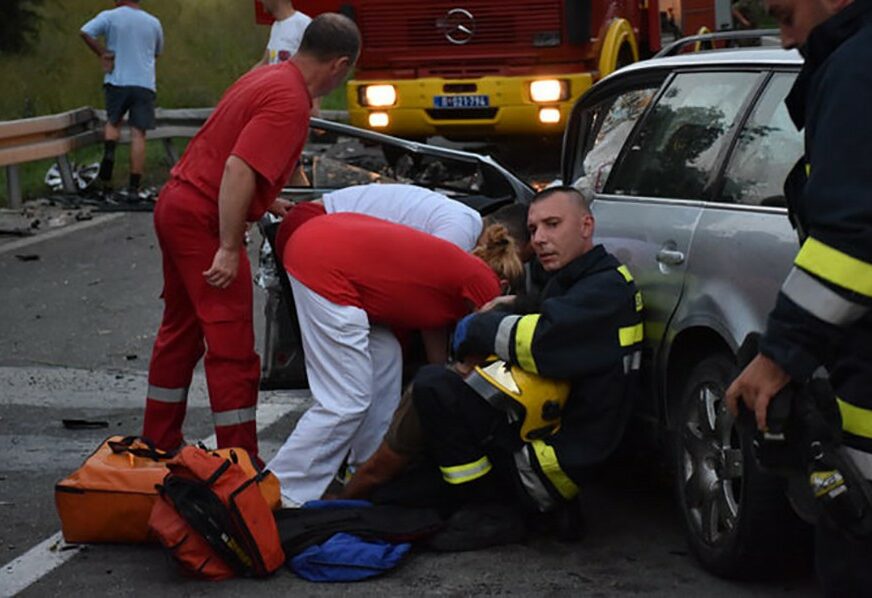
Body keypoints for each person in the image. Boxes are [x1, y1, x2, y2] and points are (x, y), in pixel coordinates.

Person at [341, 186, 644, 542]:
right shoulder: (582, 280)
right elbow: (549, 314)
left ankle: (486, 509)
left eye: (552, 224)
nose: (541, 239)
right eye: (533, 230)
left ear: (586, 226)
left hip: (547, 468)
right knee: (393, 497)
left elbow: (537, 340)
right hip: (532, 442)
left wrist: (478, 326)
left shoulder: (603, 290)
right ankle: (470, 499)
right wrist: (512, 304)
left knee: (434, 386)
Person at [141, 14, 361, 463]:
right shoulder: (289, 102)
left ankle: (158, 442)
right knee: (233, 348)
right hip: (203, 217)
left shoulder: (267, 77)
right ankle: (240, 462)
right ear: (339, 65)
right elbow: (238, 168)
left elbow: (230, 150)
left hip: (178, 204)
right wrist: (227, 246)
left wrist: (267, 200)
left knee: (181, 333)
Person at [725, 0, 872, 593]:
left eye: (784, 14)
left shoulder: (857, 68)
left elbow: (854, 240)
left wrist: (780, 355)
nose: (784, 39)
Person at [267, 211, 526, 507]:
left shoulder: (452, 275)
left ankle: (363, 464)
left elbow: (438, 365)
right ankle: (281, 490)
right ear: (505, 285)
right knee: (346, 399)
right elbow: (481, 362)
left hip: (320, 245)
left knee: (386, 355)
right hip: (324, 262)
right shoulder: (485, 284)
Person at [80, 0, 163, 200]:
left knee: (113, 122)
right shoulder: (153, 22)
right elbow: (157, 52)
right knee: (138, 135)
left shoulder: (110, 16)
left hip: (118, 81)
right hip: (144, 84)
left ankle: (109, 156)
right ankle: (134, 187)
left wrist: (103, 53)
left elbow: (85, 32)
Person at [274, 183, 487, 259]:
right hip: (314, 226)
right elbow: (434, 283)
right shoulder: (462, 228)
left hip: (310, 221)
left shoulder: (460, 215)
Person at [254, 0, 312, 68]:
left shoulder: (304, 24)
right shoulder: (276, 26)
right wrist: (245, 78)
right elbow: (265, 62)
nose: (260, 1)